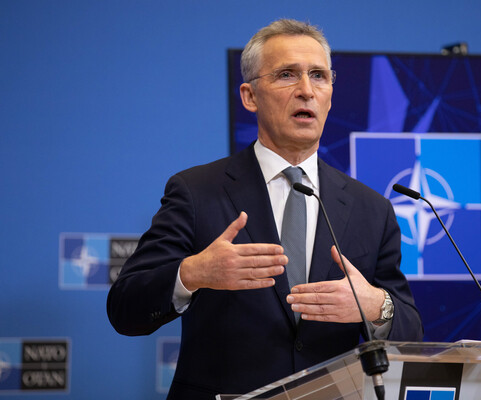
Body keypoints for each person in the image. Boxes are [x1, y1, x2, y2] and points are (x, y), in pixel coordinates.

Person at [107, 18, 423, 399]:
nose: (306, 90)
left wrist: (375, 305)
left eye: (319, 76)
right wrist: (193, 273)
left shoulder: (371, 209)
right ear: (250, 96)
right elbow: (124, 308)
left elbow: (411, 332)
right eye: (287, 75)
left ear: (330, 94)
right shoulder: (196, 192)